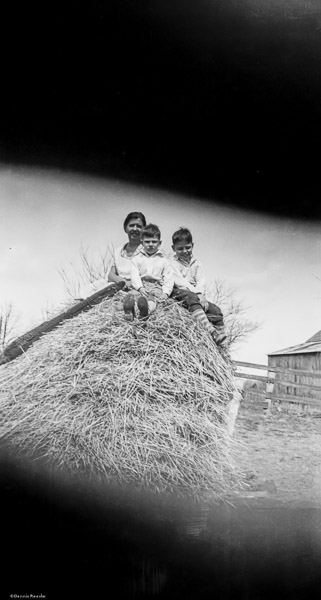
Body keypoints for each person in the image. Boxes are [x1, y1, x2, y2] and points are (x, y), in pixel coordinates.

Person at [170, 227, 227, 346]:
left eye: (188, 247)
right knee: (190, 297)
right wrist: (197, 294)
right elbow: (180, 281)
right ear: (173, 248)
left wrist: (200, 294)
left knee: (216, 311)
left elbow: (201, 281)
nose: (184, 251)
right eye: (180, 248)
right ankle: (212, 332)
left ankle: (223, 345)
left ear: (192, 245)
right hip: (179, 292)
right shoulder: (172, 263)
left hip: (196, 295)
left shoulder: (197, 264)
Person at [123, 223, 174, 322]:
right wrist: (139, 287)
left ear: (160, 243)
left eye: (154, 241)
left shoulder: (164, 261)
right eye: (147, 242)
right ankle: (129, 311)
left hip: (156, 286)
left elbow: (168, 278)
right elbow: (134, 275)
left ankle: (146, 311)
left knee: (153, 298)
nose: (151, 244)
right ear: (142, 242)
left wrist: (166, 293)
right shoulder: (137, 259)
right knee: (133, 294)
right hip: (142, 285)